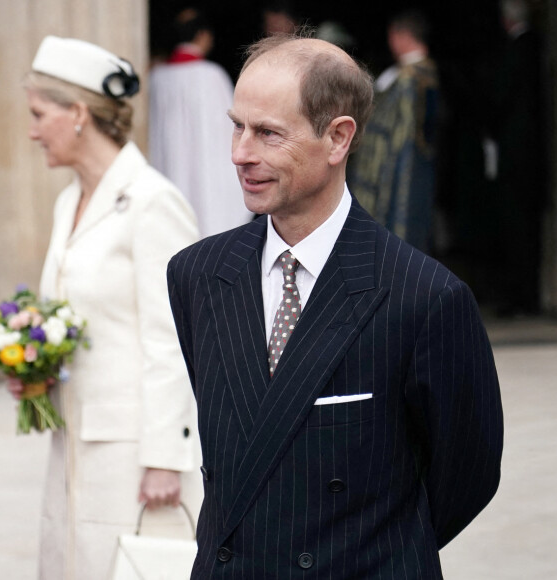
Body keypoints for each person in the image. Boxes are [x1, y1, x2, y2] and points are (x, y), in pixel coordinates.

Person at [168, 31, 503, 578]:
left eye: (268, 133)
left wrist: (371, 551)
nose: (240, 154)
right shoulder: (197, 274)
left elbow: (467, 473)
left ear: (338, 138)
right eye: (237, 126)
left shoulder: (426, 296)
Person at [9, 36, 202, 579]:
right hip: (71, 440)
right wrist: (36, 370)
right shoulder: (70, 199)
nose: (30, 130)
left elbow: (174, 337)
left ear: (77, 114)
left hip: (132, 454)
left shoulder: (152, 201)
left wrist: (165, 457)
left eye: (38, 114)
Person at [148, 7, 253, 238]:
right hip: (206, 169)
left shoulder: (156, 78)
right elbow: (230, 129)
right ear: (203, 36)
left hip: (169, 167)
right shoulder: (212, 75)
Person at [348, 9, 440, 253]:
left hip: (395, 184)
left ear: (398, 36)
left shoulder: (411, 79)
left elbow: (402, 139)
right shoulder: (416, 74)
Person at [489, 0, 546, 316]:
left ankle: (522, 298)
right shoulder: (535, 46)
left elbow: (500, 95)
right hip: (529, 151)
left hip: (518, 152)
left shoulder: (519, 48)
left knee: (517, 227)